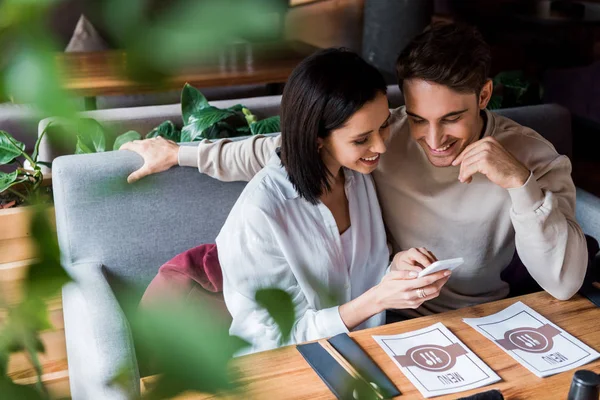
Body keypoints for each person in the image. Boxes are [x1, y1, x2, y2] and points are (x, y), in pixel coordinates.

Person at [122, 24, 588, 318]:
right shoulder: (384, 138)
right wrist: (178, 153)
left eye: (452, 118)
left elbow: (564, 283)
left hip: (486, 314)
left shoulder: (531, 156)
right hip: (391, 314)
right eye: (419, 117)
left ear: (485, 96)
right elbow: (279, 149)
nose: (432, 139)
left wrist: (520, 185)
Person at [145, 48, 450, 353]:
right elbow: (274, 338)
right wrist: (377, 300)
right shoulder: (261, 213)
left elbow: (358, 277)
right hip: (289, 364)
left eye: (383, 125)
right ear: (317, 137)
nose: (381, 146)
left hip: (369, 349)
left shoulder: (358, 178)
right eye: (361, 139)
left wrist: (396, 269)